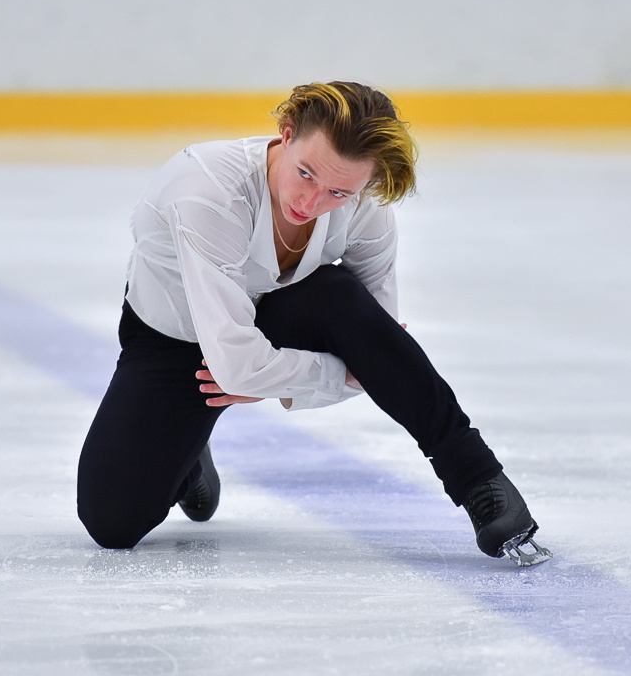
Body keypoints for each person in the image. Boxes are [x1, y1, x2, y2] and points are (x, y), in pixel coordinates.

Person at [77, 81, 551, 566]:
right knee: (112, 523)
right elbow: (265, 366)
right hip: (174, 340)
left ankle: (480, 481)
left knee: (339, 296)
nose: (310, 202)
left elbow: (383, 347)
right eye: (305, 173)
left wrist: (274, 376)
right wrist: (328, 374)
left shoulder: (365, 210)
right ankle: (188, 457)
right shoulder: (208, 191)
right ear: (286, 135)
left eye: (338, 192)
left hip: (276, 325)